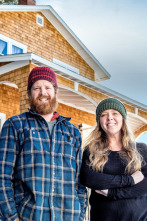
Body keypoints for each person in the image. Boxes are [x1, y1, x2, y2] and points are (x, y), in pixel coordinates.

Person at [0, 66, 88, 221]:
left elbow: (79, 182)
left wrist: (80, 216)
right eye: (37, 88)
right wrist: (12, 217)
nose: (43, 92)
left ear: (55, 92)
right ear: (29, 93)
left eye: (48, 87)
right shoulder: (15, 125)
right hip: (30, 216)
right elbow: (2, 176)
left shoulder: (72, 131)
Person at [80, 97, 147, 221]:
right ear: (99, 121)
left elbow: (145, 185)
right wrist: (131, 179)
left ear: (123, 118)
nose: (110, 117)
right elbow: (89, 178)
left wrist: (113, 193)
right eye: (104, 114)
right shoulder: (91, 151)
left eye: (115, 113)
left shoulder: (141, 150)